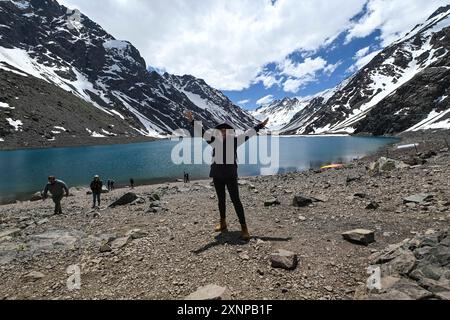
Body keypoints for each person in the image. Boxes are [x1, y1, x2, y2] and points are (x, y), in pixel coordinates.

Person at [184, 110, 269, 241]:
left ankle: (244, 227)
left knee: (236, 201)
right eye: (221, 130)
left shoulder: (235, 141)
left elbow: (249, 134)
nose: (223, 132)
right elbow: (202, 132)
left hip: (230, 175)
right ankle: (223, 223)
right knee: (221, 200)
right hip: (217, 175)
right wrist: (191, 120)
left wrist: (260, 126)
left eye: (226, 130)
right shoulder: (213, 140)